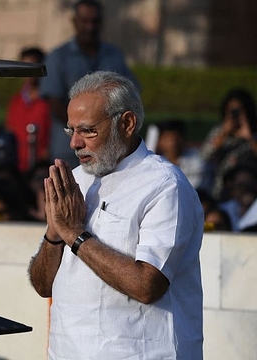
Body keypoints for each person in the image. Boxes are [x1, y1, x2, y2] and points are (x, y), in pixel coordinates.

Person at [28, 71, 204, 359]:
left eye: (87, 130)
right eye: (71, 130)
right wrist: (54, 233)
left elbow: (148, 286)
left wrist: (75, 234)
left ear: (127, 123)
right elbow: (42, 285)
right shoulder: (75, 181)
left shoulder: (164, 185)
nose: (75, 143)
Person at [39, 0, 139, 168]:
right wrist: (86, 129)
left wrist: (104, 130)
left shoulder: (114, 54)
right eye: (84, 21)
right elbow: (53, 103)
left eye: (95, 21)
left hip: (108, 147)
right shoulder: (58, 57)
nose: (90, 27)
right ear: (74, 21)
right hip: (68, 148)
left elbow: (131, 93)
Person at [199, 88, 257, 200]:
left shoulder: (253, 134)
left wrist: (249, 137)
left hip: (251, 191)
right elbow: (204, 156)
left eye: (239, 111)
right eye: (231, 111)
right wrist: (224, 134)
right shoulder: (219, 132)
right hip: (221, 191)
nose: (235, 115)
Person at [5, 46, 51, 174]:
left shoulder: (49, 100)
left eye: (32, 66)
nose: (28, 72)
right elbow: (10, 130)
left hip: (43, 165)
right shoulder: (16, 102)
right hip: (19, 165)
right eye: (24, 66)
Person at [155, 119, 206, 190]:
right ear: (160, 142)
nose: (173, 143)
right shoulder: (156, 163)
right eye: (167, 138)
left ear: (184, 139)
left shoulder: (198, 160)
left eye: (176, 138)